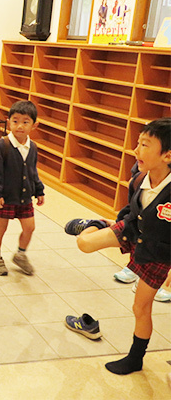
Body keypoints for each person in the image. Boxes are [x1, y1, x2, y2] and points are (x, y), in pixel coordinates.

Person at [65, 118, 171, 375]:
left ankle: (135, 359)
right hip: (133, 229)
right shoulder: (139, 179)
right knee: (84, 242)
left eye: (145, 145)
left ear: (167, 155)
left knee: (140, 307)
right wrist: (119, 225)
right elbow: (130, 209)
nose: (137, 150)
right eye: (138, 143)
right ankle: (98, 223)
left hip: (157, 252)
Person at [0, 100, 45, 276]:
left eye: (25, 122)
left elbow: (33, 171)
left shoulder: (32, 147)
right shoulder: (2, 146)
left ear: (34, 125)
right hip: (4, 197)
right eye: (15, 121)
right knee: (0, 228)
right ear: (8, 121)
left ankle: (20, 254)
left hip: (24, 197)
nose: (20, 126)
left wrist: (39, 190)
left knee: (29, 227)